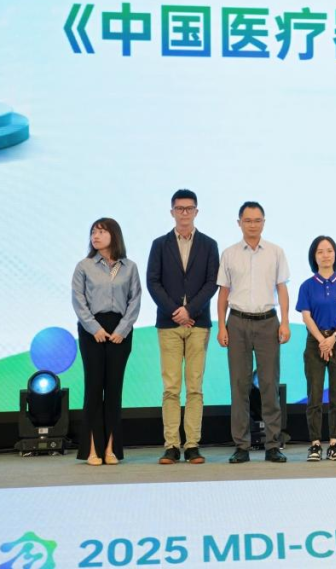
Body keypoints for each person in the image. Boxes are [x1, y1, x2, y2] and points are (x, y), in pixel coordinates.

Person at [146, 189, 220, 465]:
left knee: (195, 387)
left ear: (196, 212)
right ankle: (171, 445)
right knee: (171, 387)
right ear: (172, 212)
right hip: (169, 324)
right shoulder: (159, 244)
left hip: (198, 323)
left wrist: (190, 310)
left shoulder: (209, 245)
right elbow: (153, 282)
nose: (184, 213)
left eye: (189, 208)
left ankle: (192, 445)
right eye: (180, 208)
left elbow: (212, 283)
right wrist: (175, 311)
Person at [216, 201, 291, 464]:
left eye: (257, 220)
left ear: (264, 222)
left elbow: (282, 289)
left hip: (268, 322)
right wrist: (222, 326)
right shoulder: (229, 254)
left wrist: (285, 322)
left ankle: (273, 445)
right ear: (239, 223)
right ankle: (241, 446)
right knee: (239, 385)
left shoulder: (276, 252)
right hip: (237, 322)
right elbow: (223, 293)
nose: (252, 225)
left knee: (269, 384)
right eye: (247, 220)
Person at [71, 218, 141, 465]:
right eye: (93, 232)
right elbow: (78, 300)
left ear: (114, 235)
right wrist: (94, 328)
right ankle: (92, 449)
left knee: (114, 390)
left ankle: (111, 448)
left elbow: (135, 300)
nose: (95, 236)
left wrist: (122, 329)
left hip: (120, 331)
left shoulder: (129, 267)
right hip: (92, 330)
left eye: (101, 231)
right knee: (93, 388)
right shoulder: (84, 266)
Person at [297, 236, 336, 462]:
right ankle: (315, 444)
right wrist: (321, 340)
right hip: (315, 342)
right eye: (320, 251)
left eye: (329, 251)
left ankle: (334, 444)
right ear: (314, 257)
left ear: (335, 254)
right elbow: (306, 316)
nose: (325, 255)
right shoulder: (307, 285)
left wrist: (333, 338)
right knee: (314, 396)